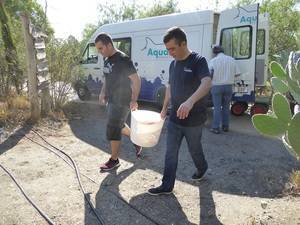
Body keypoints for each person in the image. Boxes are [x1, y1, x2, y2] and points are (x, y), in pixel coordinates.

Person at [148, 27, 212, 195]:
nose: (170, 53)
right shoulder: (173, 64)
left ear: (183, 43)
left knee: (194, 149)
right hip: (175, 119)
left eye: (173, 48)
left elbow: (206, 83)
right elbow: (169, 86)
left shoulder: (199, 61)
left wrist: (190, 101)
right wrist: (164, 108)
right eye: (168, 49)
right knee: (170, 152)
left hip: (194, 120)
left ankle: (202, 167)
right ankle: (166, 185)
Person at [95, 33, 142, 171]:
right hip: (111, 99)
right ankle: (137, 140)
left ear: (109, 45)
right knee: (119, 125)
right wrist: (103, 92)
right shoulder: (107, 59)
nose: (99, 52)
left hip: (122, 100)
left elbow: (136, 80)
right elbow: (107, 78)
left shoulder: (123, 60)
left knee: (113, 127)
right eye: (98, 49)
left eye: (101, 48)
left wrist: (134, 100)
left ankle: (114, 160)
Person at [209, 45, 240, 134]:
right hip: (228, 86)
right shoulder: (231, 60)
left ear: (215, 53)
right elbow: (237, 74)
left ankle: (215, 128)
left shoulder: (213, 61)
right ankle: (225, 127)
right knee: (226, 107)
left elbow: (209, 74)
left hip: (216, 87)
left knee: (217, 108)